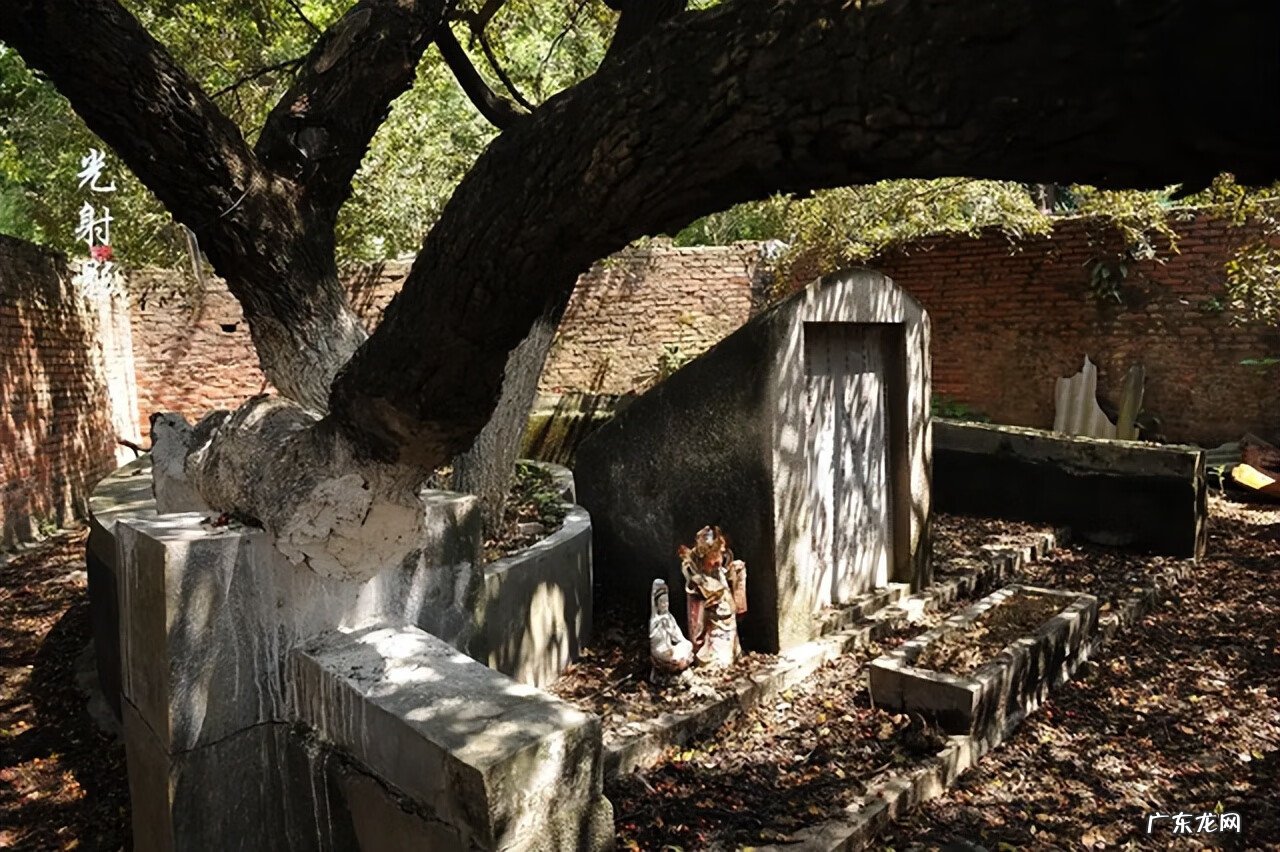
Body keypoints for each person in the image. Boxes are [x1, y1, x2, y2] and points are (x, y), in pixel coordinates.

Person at [649, 579, 693, 683]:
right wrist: (660, 624)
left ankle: (678, 665)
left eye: (666, 601)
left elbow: (677, 636)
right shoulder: (655, 620)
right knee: (672, 658)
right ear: (656, 603)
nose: (665, 604)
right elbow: (653, 638)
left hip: (670, 648)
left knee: (688, 645)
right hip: (661, 649)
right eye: (662, 602)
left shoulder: (669, 617)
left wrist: (671, 631)